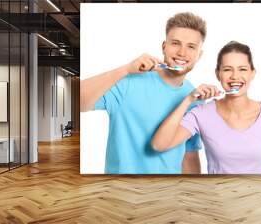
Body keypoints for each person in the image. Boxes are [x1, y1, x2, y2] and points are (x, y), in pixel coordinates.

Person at [80, 12, 207, 174]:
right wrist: (125, 69)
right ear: (164, 47)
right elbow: (79, 101)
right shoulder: (129, 82)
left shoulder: (195, 99)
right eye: (175, 43)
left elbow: (189, 155)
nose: (182, 52)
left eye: (191, 46)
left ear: (199, 55)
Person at [151, 41, 261, 176]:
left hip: (257, 197)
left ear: (252, 73)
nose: (235, 76)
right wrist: (189, 99)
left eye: (242, 69)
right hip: (218, 197)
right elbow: (159, 145)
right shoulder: (201, 114)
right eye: (227, 69)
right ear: (218, 74)